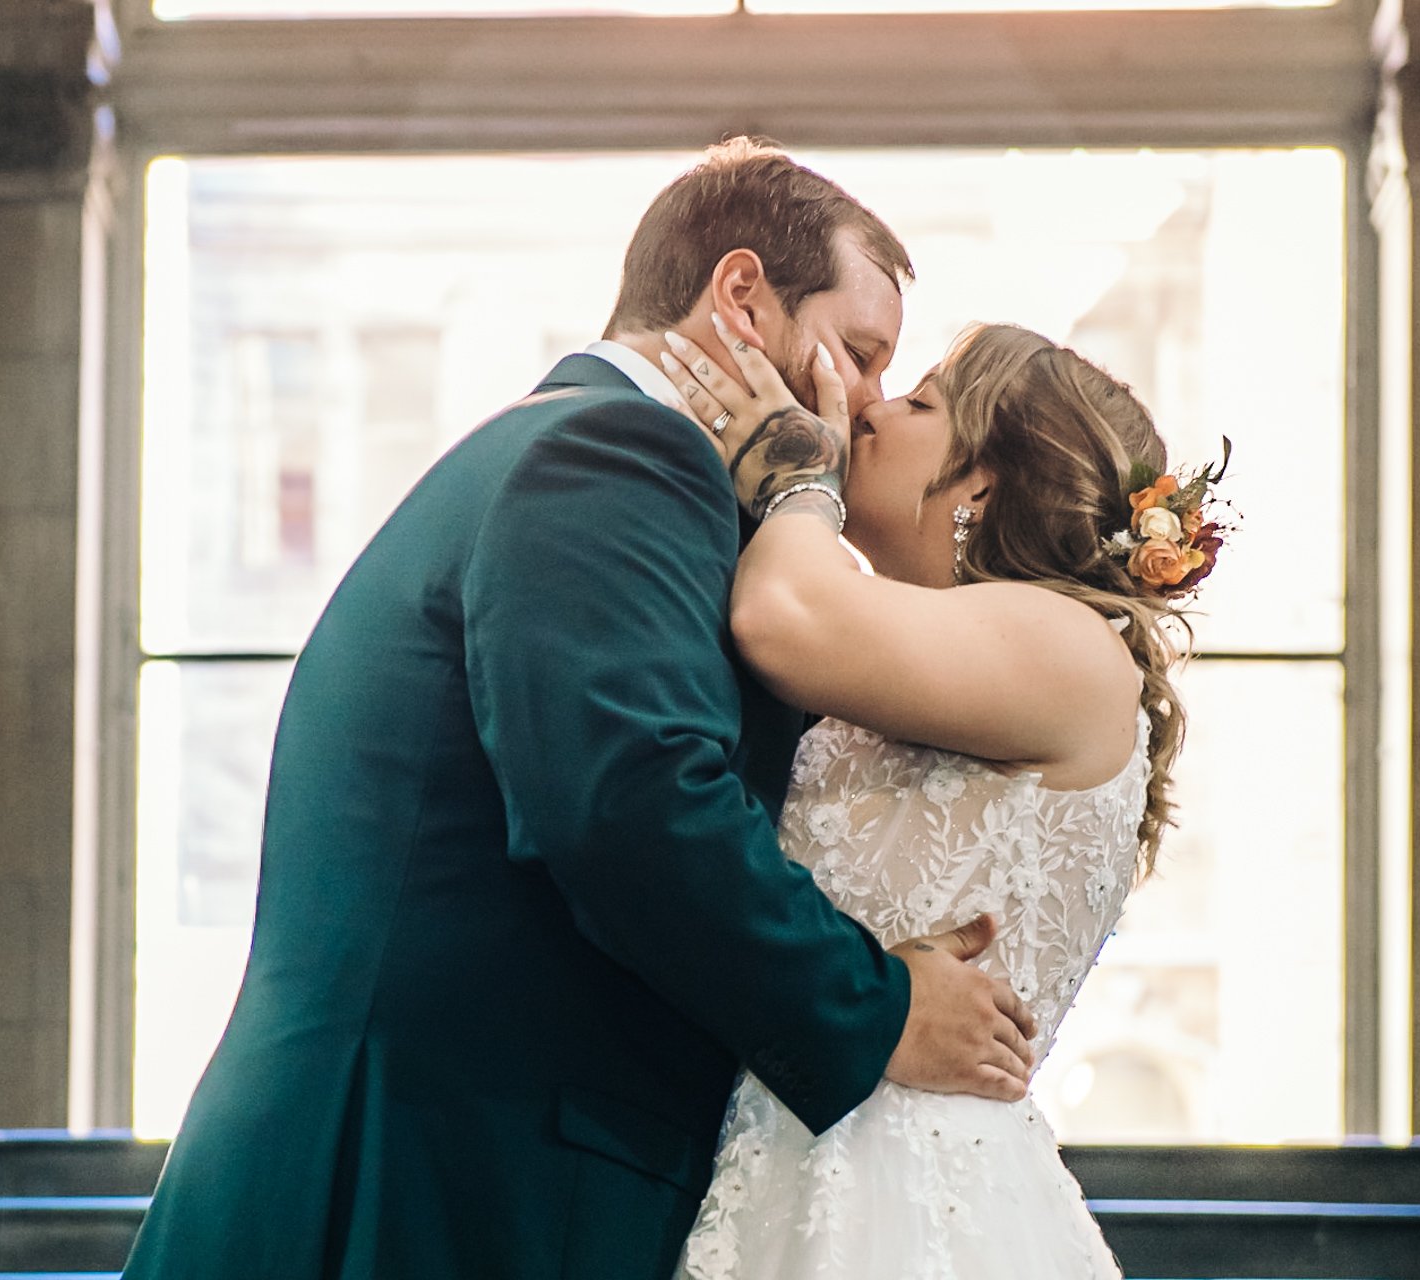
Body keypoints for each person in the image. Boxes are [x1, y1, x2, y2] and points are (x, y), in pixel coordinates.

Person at [119, 138, 1041, 1280]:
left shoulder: (610, 461)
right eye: (856, 354)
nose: (859, 409)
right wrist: (880, 1008)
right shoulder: (617, 451)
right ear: (740, 295)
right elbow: (630, 800)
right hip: (412, 1185)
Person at [652, 318, 1224, 1278]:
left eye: (918, 403)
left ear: (981, 486)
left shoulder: (1074, 646)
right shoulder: (914, 667)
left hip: (911, 1202)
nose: (870, 409)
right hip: (787, 1158)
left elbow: (781, 614)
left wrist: (797, 480)